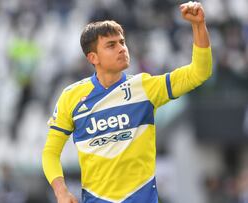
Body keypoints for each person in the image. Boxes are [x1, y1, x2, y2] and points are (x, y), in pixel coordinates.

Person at [42, 1, 212, 202]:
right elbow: (50, 153)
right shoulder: (71, 96)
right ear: (93, 57)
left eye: (122, 42)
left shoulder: (145, 87)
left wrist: (198, 26)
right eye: (111, 45)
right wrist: (61, 191)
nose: (122, 48)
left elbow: (199, 72)